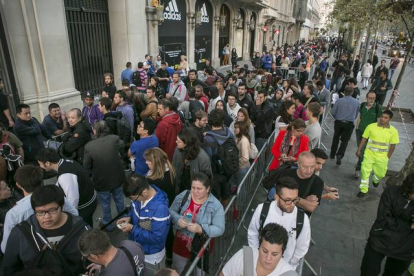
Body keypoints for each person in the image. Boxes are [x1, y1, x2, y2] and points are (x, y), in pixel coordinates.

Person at [3, 185, 90, 276]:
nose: (46, 217)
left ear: (62, 206)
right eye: (40, 212)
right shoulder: (20, 233)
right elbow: (9, 269)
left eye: (52, 210)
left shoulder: (83, 230)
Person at [1, 165, 78, 253]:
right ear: (41, 181)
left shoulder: (14, 213)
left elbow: (6, 247)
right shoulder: (59, 199)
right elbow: (75, 216)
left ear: (18, 185)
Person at [248, 177, 310, 269]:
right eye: (288, 200)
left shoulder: (302, 219)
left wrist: (291, 265)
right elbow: (253, 234)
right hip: (261, 262)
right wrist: (256, 256)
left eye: (295, 199)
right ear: (276, 196)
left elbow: (302, 246)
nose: (292, 204)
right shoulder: (262, 210)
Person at [169, 173, 225, 274]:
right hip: (181, 243)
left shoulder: (216, 205)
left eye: (199, 189)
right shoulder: (184, 195)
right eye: (193, 187)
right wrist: (178, 219)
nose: (195, 191)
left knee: (199, 271)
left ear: (207, 189)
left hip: (201, 246)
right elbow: (171, 211)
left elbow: (220, 228)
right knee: (177, 269)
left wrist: (200, 229)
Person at [360, 173, 414, 275]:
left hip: (405, 247)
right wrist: (409, 226)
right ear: (408, 190)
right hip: (380, 239)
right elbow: (384, 219)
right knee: (368, 271)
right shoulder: (391, 193)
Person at [117, 173, 170, 273]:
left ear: (144, 192)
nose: (133, 201)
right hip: (137, 249)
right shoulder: (138, 196)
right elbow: (134, 210)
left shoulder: (160, 209)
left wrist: (132, 229)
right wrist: (129, 217)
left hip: (151, 256)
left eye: (133, 198)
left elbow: (157, 238)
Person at [36, 148, 97, 226]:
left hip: (85, 207)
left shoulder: (65, 176)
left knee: (85, 229)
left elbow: (73, 200)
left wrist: (71, 217)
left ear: (47, 163)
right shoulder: (66, 162)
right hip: (90, 198)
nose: (40, 167)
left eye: (40, 164)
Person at [221, 223, 297, 276]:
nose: (268, 258)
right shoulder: (244, 255)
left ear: (282, 253)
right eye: (264, 251)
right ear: (259, 246)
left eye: (274, 254)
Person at [356, 110, 399, 198]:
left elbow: (393, 145)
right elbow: (364, 139)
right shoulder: (371, 126)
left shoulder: (393, 131)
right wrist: (359, 150)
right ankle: (363, 190)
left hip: (382, 156)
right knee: (365, 171)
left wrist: (388, 157)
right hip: (369, 154)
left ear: (390, 119)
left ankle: (376, 179)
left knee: (381, 174)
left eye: (385, 118)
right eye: (382, 117)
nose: (382, 119)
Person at [79, 229, 146, 276]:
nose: (85, 258)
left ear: (93, 256)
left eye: (85, 257)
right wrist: (102, 268)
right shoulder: (130, 244)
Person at [172, 129, 212, 193]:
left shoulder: (203, 158)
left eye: (179, 141)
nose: (176, 142)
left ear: (186, 143)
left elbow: (207, 180)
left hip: (195, 192)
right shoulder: (177, 150)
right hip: (179, 188)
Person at [354, 91, 382, 179]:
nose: (372, 100)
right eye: (370, 98)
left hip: (370, 134)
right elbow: (359, 116)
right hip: (360, 131)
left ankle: (358, 169)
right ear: (366, 98)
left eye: (373, 98)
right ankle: (360, 167)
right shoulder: (362, 105)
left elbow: (378, 121)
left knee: (363, 151)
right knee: (361, 150)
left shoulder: (377, 108)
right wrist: (357, 127)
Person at [330, 86, 360, 165]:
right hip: (349, 123)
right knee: (345, 141)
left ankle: (332, 153)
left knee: (336, 137)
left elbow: (333, 111)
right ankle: (340, 154)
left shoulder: (339, 101)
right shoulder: (356, 102)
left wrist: (336, 117)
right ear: (352, 92)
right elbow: (356, 114)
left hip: (339, 122)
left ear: (344, 92)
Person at [233, 121, 251, 186]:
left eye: (236, 128)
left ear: (241, 128)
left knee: (242, 189)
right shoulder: (238, 138)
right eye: (234, 127)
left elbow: (245, 158)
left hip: (242, 168)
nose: (234, 129)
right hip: (241, 167)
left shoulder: (243, 141)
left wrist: (236, 163)